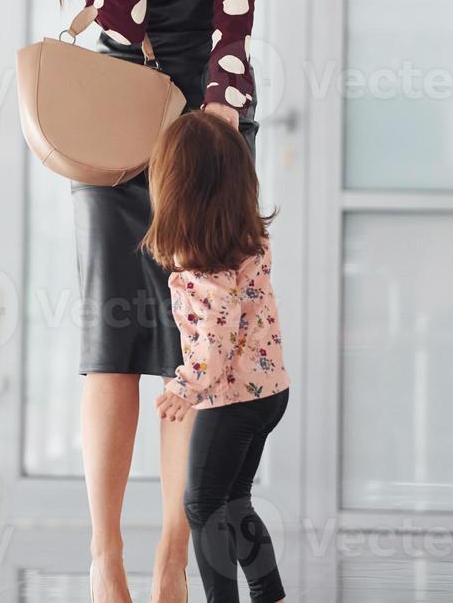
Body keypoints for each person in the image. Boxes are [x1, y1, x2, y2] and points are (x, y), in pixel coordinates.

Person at [37, 0, 263, 603]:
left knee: (192, 356)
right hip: (115, 122)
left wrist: (214, 123)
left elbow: (234, 10)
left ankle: (173, 557)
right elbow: (120, 25)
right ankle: (105, 560)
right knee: (114, 342)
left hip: (205, 127)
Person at [141, 110, 289, 603]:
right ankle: (270, 594)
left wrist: (185, 386)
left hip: (230, 400)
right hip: (268, 394)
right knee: (234, 500)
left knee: (203, 505)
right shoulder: (249, 244)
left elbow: (215, 341)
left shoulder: (205, 272)